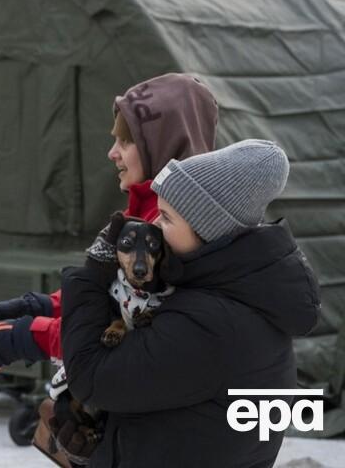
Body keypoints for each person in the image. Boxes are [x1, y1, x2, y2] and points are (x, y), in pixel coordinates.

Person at [60, 140, 321, 468]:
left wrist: (90, 276)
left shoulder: (209, 321)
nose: (153, 226)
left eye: (166, 218)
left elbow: (92, 379)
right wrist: (106, 441)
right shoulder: (244, 295)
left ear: (207, 230)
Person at [0, 73, 218, 379]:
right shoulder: (146, 206)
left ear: (162, 143)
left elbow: (136, 329)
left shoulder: (178, 224)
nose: (112, 152)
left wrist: (27, 336)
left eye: (126, 141)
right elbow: (108, 290)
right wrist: (43, 306)